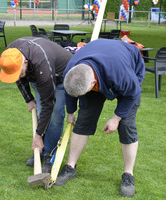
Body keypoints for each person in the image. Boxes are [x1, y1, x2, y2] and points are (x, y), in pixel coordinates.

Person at [55, 39, 145, 198]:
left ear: (93, 83)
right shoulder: (72, 70)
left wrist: (116, 118)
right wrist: (70, 113)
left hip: (128, 69)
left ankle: (128, 175)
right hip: (98, 68)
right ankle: (70, 167)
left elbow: (133, 93)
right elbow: (71, 92)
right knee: (84, 120)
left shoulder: (120, 73)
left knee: (126, 125)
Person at [0, 37, 72, 173]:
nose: (18, 76)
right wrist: (29, 99)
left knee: (55, 114)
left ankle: (50, 154)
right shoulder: (9, 55)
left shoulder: (40, 61)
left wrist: (37, 135)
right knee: (39, 113)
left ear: (25, 62)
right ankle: (40, 151)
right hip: (37, 76)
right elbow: (17, 77)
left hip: (60, 77)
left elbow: (48, 103)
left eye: (19, 72)